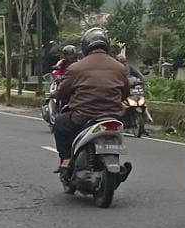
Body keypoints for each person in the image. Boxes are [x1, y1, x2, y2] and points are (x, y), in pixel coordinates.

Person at [51, 27, 129, 171]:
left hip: (83, 116)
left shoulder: (76, 68)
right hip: (113, 116)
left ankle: (67, 159)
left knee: (60, 123)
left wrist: (56, 94)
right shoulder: (120, 67)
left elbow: (63, 92)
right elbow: (125, 93)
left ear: (85, 47)